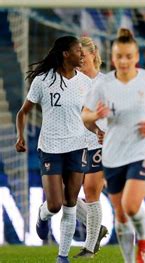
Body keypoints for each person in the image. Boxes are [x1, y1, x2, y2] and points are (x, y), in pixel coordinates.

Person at [82, 28, 145, 263]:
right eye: (119, 56)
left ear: (136, 57)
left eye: (128, 56)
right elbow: (84, 116)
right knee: (121, 215)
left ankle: (144, 238)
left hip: (141, 150)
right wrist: (96, 118)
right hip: (113, 154)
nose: (123, 61)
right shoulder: (103, 85)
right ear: (113, 58)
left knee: (131, 205)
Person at [15, 36, 89, 263]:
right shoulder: (43, 81)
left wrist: (98, 130)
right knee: (55, 205)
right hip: (50, 147)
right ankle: (42, 213)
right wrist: (20, 136)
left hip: (78, 146)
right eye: (78, 50)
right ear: (66, 54)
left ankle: (62, 256)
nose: (82, 54)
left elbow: (88, 114)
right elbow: (23, 112)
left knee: (70, 204)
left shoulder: (86, 82)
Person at [73, 36, 109, 258]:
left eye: (82, 55)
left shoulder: (106, 83)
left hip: (99, 143)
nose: (79, 60)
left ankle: (89, 247)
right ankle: (97, 227)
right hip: (74, 143)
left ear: (94, 55)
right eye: (76, 56)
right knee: (61, 195)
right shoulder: (70, 81)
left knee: (91, 191)